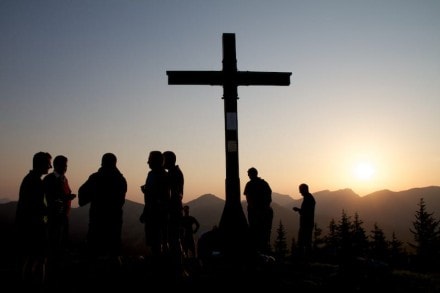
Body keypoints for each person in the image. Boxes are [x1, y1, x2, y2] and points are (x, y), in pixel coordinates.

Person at [78, 153, 127, 258]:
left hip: (97, 219)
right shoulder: (121, 180)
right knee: (113, 251)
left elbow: (82, 194)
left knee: (95, 252)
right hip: (114, 220)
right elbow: (120, 202)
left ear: (102, 163)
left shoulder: (95, 178)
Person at [15, 151, 52, 286]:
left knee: (30, 259)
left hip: (30, 225)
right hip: (34, 227)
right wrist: (51, 210)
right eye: (48, 163)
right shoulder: (34, 181)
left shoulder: (31, 179)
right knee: (37, 259)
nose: (50, 167)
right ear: (41, 164)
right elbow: (35, 206)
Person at [43, 155, 76, 285]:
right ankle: (50, 277)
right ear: (57, 165)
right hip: (53, 219)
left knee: (61, 245)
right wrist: (64, 199)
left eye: (66, 165)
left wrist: (67, 197)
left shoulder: (64, 179)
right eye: (64, 165)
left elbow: (63, 195)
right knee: (53, 247)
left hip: (63, 217)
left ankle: (58, 275)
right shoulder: (49, 179)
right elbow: (47, 198)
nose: (66, 168)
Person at [139, 151, 170, 258]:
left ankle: (159, 265)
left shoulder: (163, 176)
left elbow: (163, 196)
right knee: (154, 241)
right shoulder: (152, 174)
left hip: (158, 214)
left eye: (150, 159)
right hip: (153, 212)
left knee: (158, 241)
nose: (147, 162)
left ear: (156, 161)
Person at [243, 167, 273, 255]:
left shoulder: (249, 185)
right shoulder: (264, 183)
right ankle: (264, 251)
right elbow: (269, 198)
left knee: (255, 232)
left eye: (249, 174)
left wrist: (255, 208)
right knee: (265, 232)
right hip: (266, 212)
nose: (248, 176)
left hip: (255, 213)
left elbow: (248, 198)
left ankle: (257, 252)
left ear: (251, 174)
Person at [163, 151, 184, 270]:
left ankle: (177, 267)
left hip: (173, 210)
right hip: (175, 209)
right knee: (174, 238)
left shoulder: (173, 174)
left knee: (174, 239)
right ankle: (178, 265)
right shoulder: (175, 172)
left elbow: (173, 194)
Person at [292, 183, 316, 260]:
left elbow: (306, 212)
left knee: (303, 242)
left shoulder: (308, 199)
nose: (300, 192)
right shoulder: (309, 198)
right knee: (306, 241)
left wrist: (298, 210)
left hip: (306, 224)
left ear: (304, 190)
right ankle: (307, 259)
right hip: (307, 223)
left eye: (301, 190)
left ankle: (304, 259)